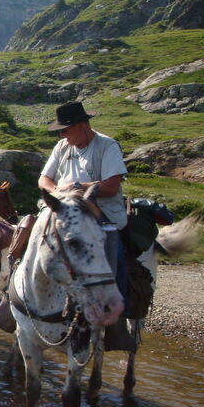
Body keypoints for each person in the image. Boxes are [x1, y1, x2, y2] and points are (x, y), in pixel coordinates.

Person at [38, 101, 130, 345]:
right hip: (64, 207)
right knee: (27, 230)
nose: (61, 135)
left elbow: (111, 186)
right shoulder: (62, 146)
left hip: (98, 211)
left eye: (65, 130)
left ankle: (115, 320)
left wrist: (78, 187)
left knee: (112, 251)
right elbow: (44, 179)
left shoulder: (107, 146)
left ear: (81, 126)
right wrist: (57, 190)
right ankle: (14, 297)